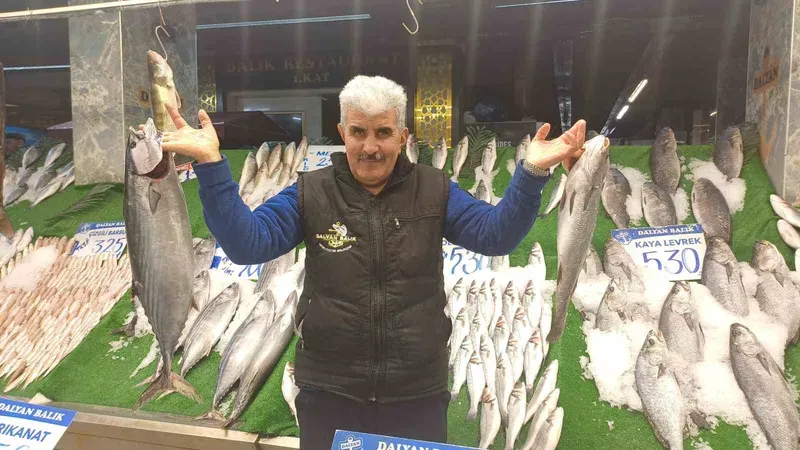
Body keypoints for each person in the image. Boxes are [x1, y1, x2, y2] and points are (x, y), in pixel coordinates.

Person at [158, 75, 586, 449]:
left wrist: (531, 173)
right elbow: (248, 244)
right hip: (329, 391)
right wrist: (212, 166)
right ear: (342, 132)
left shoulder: (435, 189)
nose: (370, 146)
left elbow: (495, 235)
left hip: (417, 392)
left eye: (383, 132)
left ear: (402, 136)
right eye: (358, 132)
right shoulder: (310, 192)